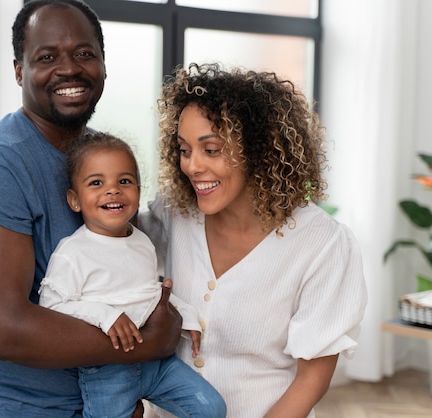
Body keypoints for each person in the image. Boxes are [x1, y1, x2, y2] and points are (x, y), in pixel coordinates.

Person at [0, 1, 182, 417]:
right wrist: (146, 342)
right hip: (0, 407)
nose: (69, 69)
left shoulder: (103, 161)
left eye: (84, 54)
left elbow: (119, 277)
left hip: (95, 399)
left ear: (103, 65)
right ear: (19, 71)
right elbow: (3, 332)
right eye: (47, 57)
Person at [140, 63, 368, 418]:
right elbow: (113, 243)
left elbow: (312, 378)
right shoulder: (175, 214)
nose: (192, 166)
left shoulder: (321, 243)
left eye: (211, 149)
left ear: (260, 150)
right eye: (184, 150)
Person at [38, 131, 227, 418]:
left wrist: (185, 314)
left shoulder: (142, 241)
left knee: (211, 408)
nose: (112, 190)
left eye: (124, 181)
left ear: (138, 191)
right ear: (75, 200)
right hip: (107, 372)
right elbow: (50, 308)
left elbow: (148, 293)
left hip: (157, 363)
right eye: (96, 183)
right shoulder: (72, 252)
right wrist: (105, 315)